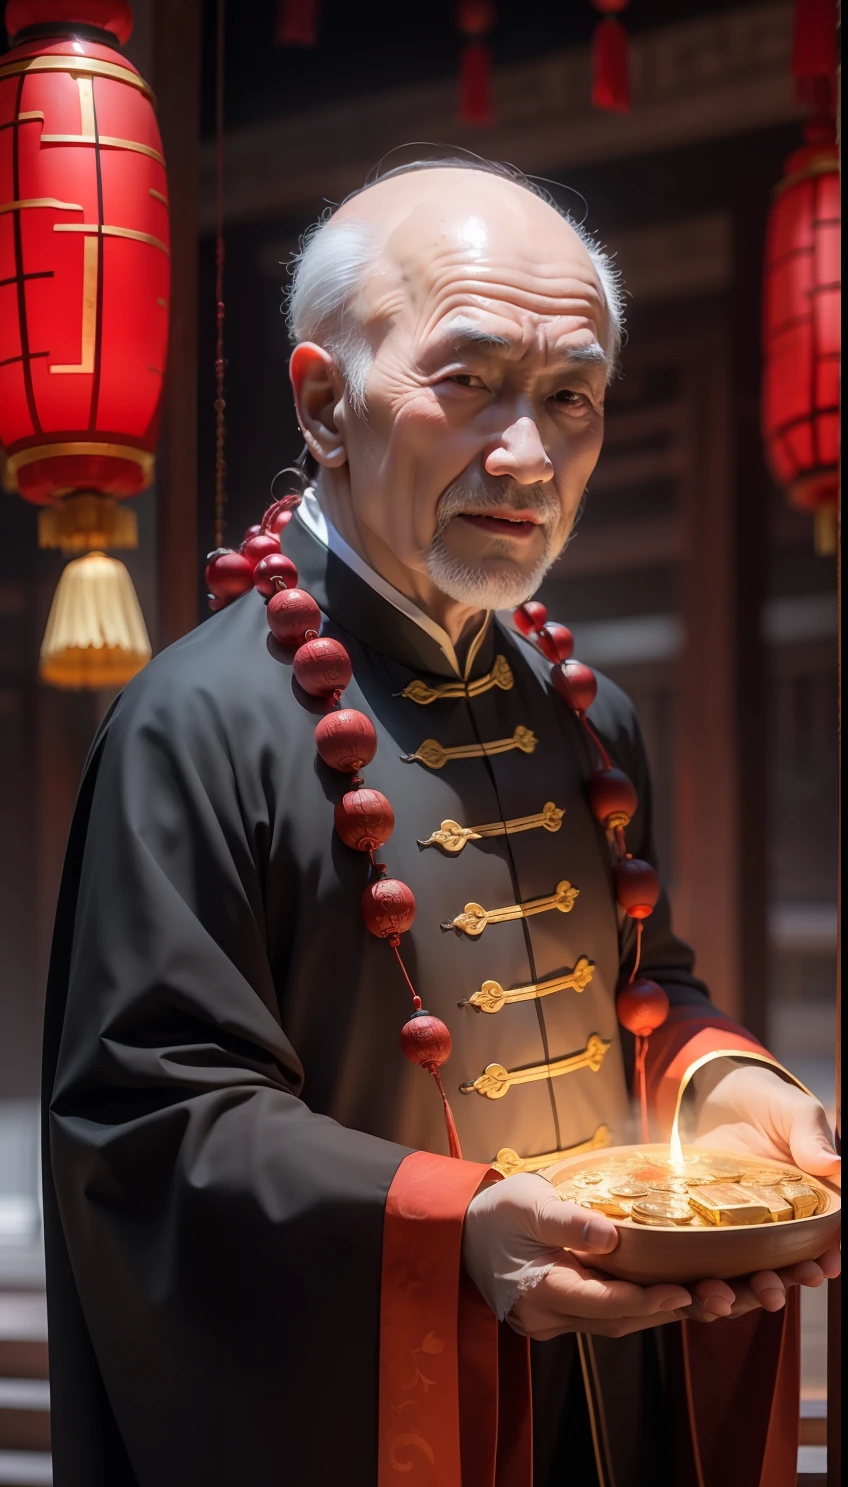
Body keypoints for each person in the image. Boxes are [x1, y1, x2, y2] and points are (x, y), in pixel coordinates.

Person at [43, 159, 840, 1487]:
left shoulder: (587, 715)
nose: (527, 457)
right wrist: (448, 1226)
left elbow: (651, 988)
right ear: (324, 404)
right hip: (380, 1411)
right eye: (465, 382)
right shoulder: (198, 724)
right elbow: (154, 1126)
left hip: (610, 1386)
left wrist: (734, 1085)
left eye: (572, 397)